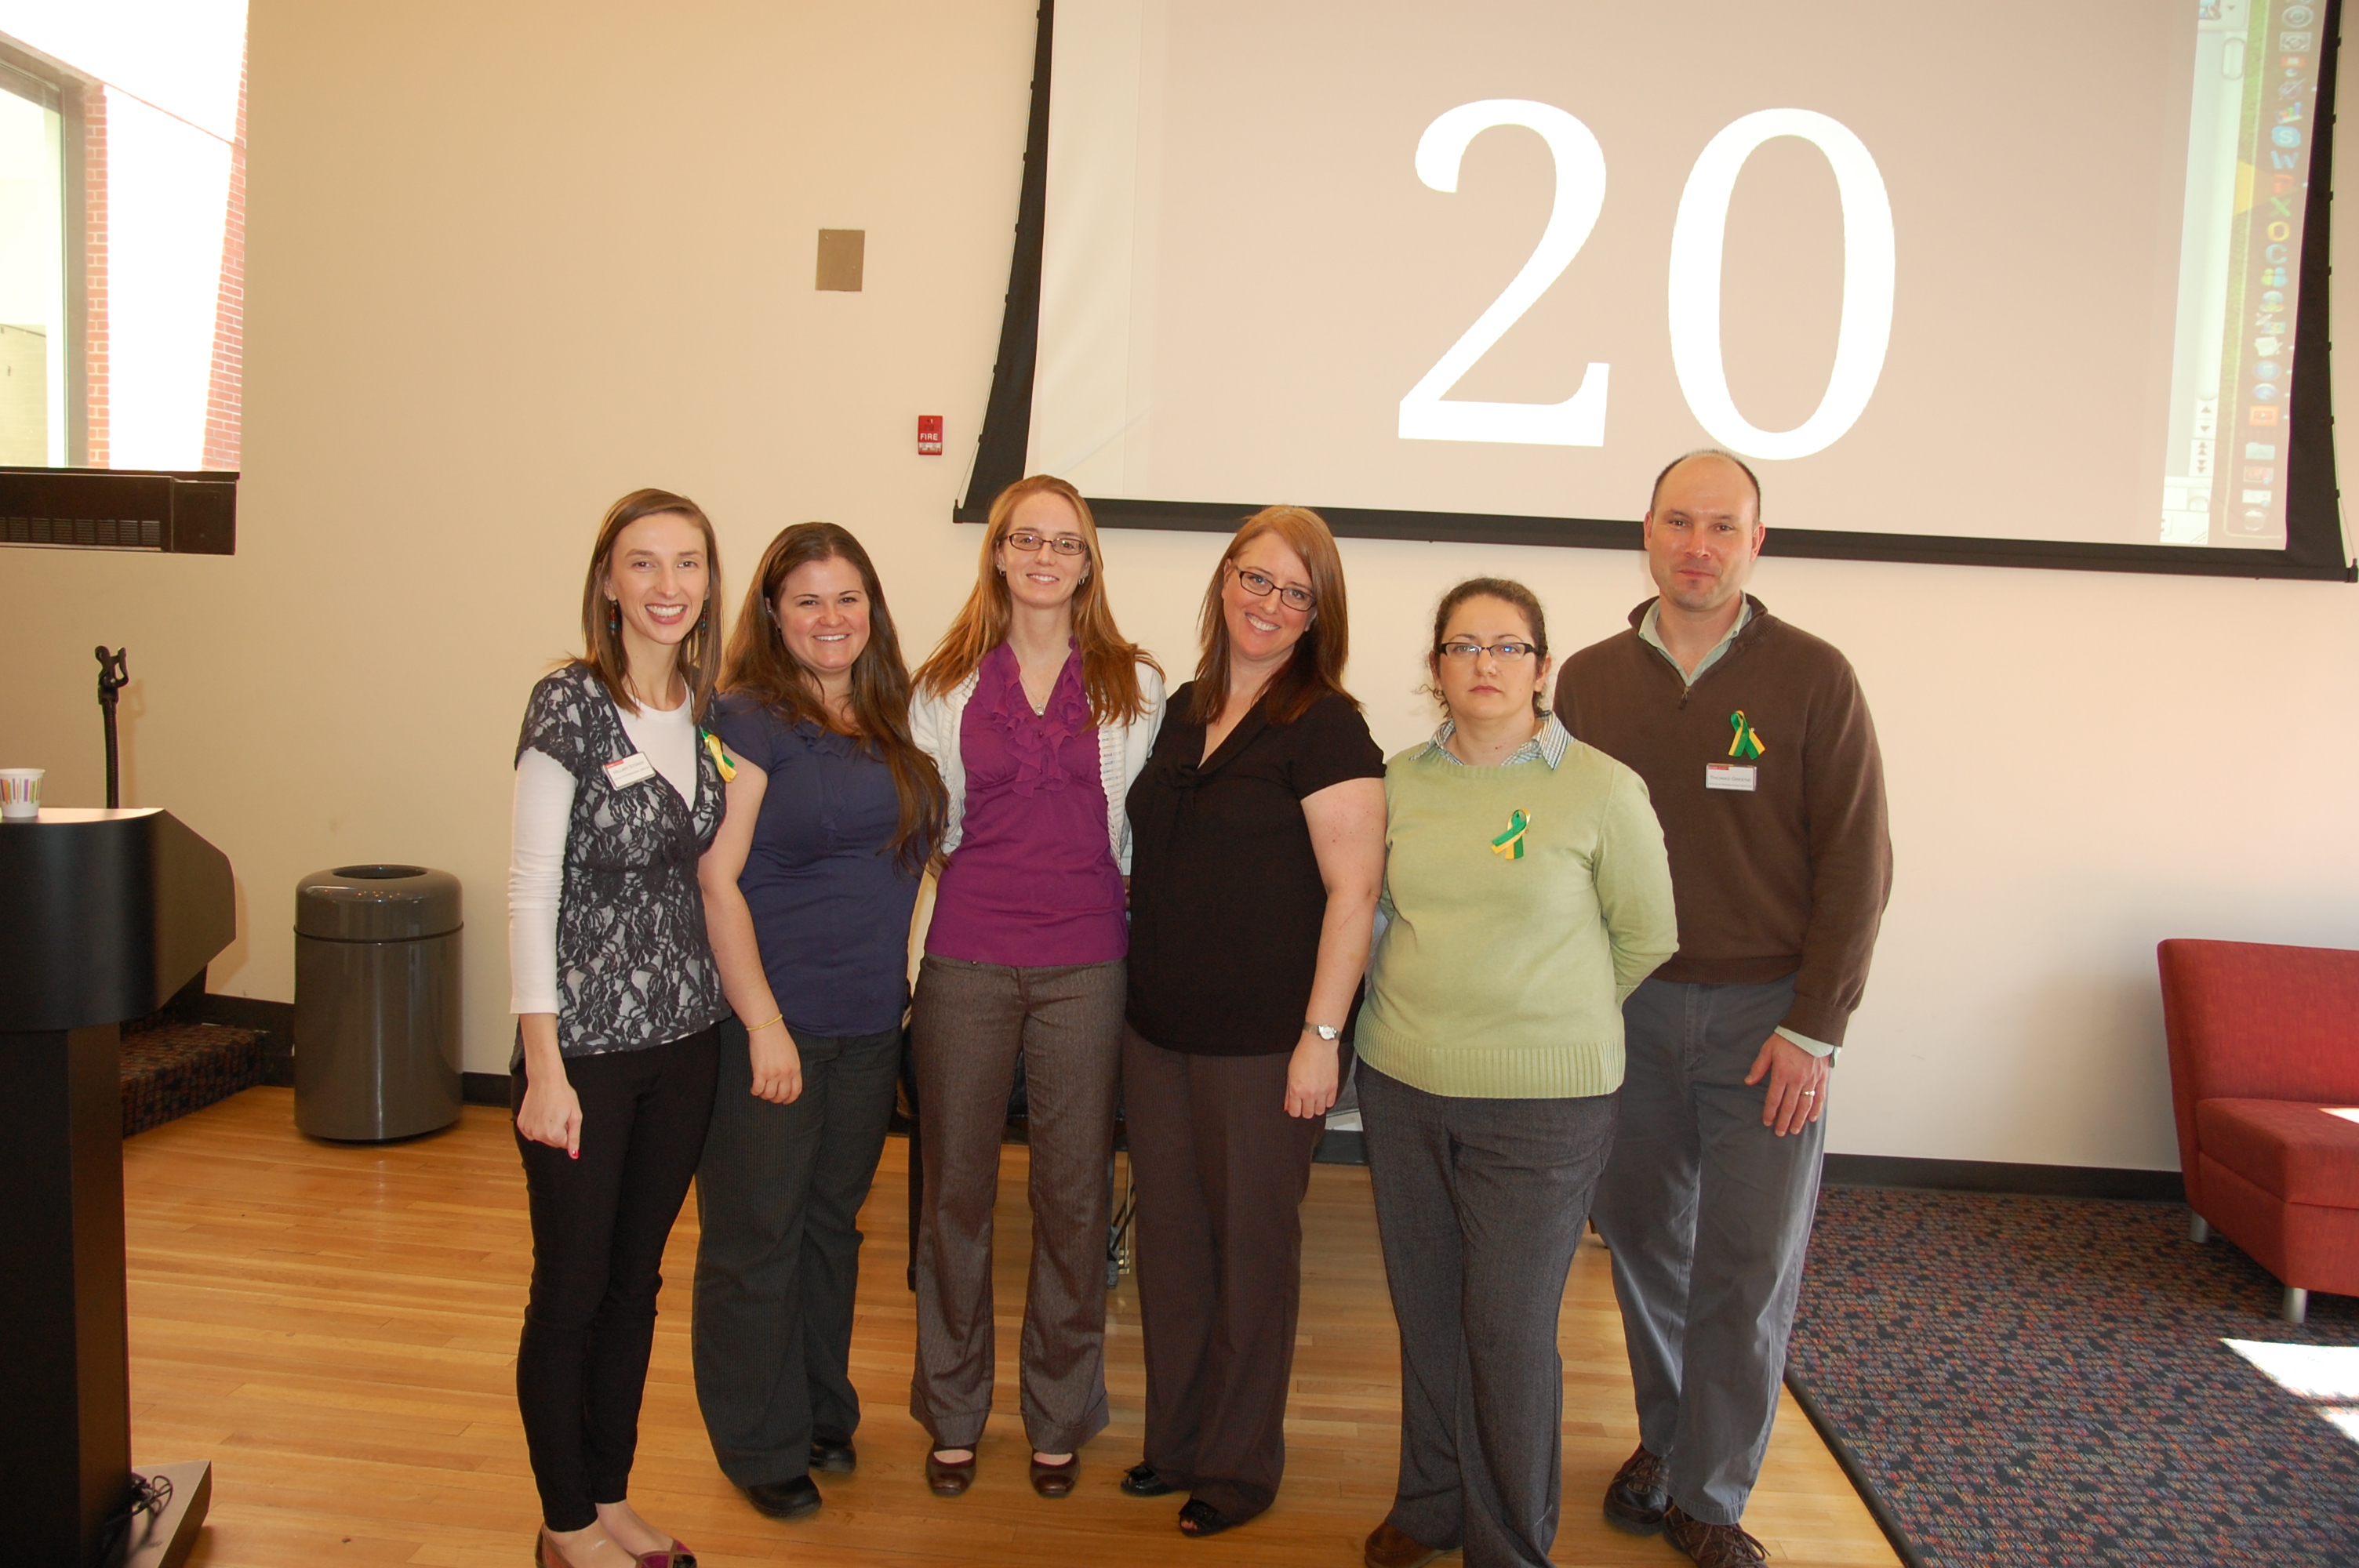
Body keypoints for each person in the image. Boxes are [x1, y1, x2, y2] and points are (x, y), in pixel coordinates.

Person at [1554, 450, 1892, 1568]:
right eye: (1678, 522)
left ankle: (1709, 1492)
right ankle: (1666, 1440)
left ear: (1757, 543)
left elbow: (1858, 864)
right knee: (1645, 1243)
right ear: (1645, 533)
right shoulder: (1588, 681)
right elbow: (1560, 851)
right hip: (1632, 1015)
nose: (1697, 546)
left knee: (1748, 1263)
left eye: (1721, 527)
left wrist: (1815, 1027)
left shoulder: (1815, 676)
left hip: (1768, 1024)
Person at [1354, 578, 1676, 1568]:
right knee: (1427, 1309)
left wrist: (1549, 1016)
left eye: (1506, 646)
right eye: (1462, 646)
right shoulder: (1395, 781)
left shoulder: (1603, 788)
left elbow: (1647, 935)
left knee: (1505, 1329)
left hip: (1544, 1106)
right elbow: (1374, 917)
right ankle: (1431, 1501)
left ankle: (1507, 1545)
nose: (1484, 664)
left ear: (1542, 668)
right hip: (1403, 1080)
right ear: (1436, 667)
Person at [1119, 504, 1387, 1539]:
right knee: (1172, 1249)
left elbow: (1354, 893)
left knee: (1251, 1257)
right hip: (1158, 1032)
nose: (1269, 603)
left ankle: (1235, 1470)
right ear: (1225, 579)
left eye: (1295, 592)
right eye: (1256, 578)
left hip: (1267, 1045)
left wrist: (1320, 1038)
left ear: (1319, 615)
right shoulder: (1181, 708)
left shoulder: (1328, 725)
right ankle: (1176, 1441)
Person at [905, 474, 1166, 1498]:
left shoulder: (1132, 684)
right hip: (966, 957)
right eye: (1026, 539)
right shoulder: (943, 683)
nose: (1044, 557)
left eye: (1065, 542)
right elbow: (933, 826)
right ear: (1000, 554)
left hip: (1087, 962)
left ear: (1088, 561)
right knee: (954, 1195)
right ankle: (952, 1409)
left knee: (1072, 1196)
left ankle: (1059, 1413)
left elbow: (1137, 830)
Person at [691, 523, 946, 1522]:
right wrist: (761, 1021)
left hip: (868, 1019)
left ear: (871, 608)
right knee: (756, 1233)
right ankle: (758, 1442)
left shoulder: (891, 715)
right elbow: (715, 879)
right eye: (806, 599)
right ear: (772, 613)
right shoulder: (743, 718)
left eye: (847, 598)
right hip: (772, 1019)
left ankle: (818, 1409)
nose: (830, 618)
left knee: (830, 1225)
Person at [507, 488, 732, 1568]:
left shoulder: (707, 711)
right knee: (572, 1289)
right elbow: (529, 888)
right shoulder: (569, 703)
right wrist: (542, 1066)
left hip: (686, 1045)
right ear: (607, 580)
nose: (667, 585)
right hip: (584, 1055)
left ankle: (608, 1495)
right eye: (643, 563)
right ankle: (563, 1524)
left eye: (687, 563)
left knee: (636, 1285)